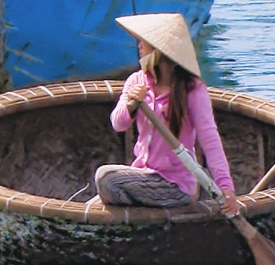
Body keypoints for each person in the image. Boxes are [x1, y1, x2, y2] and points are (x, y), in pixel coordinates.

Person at [94, 12, 239, 216]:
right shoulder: (137, 81)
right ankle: (143, 218)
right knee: (97, 198)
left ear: (159, 51)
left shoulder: (192, 91)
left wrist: (226, 188)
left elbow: (210, 140)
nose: (139, 47)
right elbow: (118, 124)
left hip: (175, 186)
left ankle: (144, 218)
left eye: (144, 42)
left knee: (105, 178)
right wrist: (131, 105)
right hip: (143, 176)